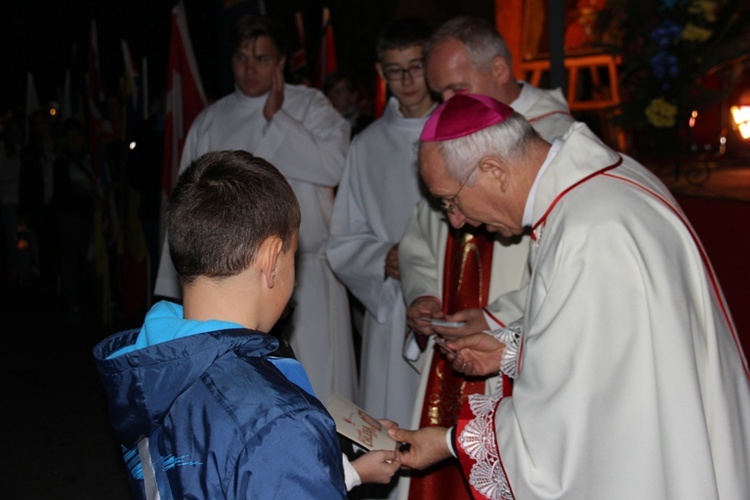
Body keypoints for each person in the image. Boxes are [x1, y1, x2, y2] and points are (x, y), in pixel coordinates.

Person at [389, 93, 750, 499]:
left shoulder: (589, 231)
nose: (455, 221)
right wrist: (510, 350)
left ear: (494, 170)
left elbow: (563, 426)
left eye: (451, 200)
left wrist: (448, 442)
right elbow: (610, 348)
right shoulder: (597, 188)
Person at [93, 151, 400, 498]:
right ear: (270, 260)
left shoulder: (156, 364)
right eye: (292, 255)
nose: (295, 279)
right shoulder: (279, 422)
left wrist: (343, 469)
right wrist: (300, 436)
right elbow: (264, 447)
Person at [396, 16, 574, 499]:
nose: (446, 106)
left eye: (455, 89)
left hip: (506, 337)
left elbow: (564, 275)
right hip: (455, 330)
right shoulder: (452, 140)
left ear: (499, 68)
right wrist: (423, 293)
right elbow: (422, 233)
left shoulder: (557, 144)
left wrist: (499, 320)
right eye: (439, 94)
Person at [153, 15, 357, 405]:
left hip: (305, 270)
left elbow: (337, 164)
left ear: (281, 62)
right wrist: (175, 282)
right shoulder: (211, 119)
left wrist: (278, 118)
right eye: (242, 57)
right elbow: (188, 200)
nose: (250, 68)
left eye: (262, 58)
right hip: (227, 278)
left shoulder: (310, 105)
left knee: (316, 378)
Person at [326, 16, 435, 497]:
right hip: (393, 313)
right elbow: (343, 239)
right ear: (380, 71)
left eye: (416, 66)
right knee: (398, 417)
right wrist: (382, 257)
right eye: (396, 70)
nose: (408, 81)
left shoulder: (457, 129)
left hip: (452, 301)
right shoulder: (366, 146)